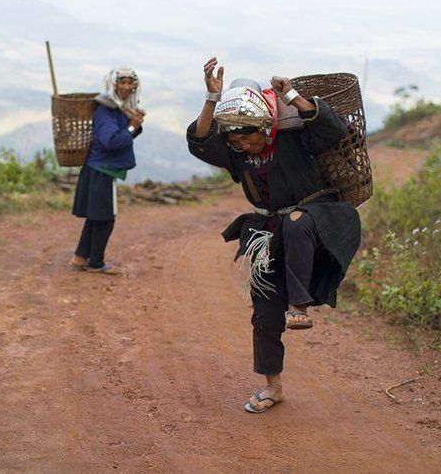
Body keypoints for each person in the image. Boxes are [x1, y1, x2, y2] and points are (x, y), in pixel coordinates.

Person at [186, 57, 361, 413]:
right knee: (264, 315)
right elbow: (200, 141)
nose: (243, 145)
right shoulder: (235, 154)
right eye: (235, 140)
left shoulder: (295, 137)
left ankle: (300, 304)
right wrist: (210, 98)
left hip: (317, 220)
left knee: (296, 221)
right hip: (268, 233)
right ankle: (273, 387)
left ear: (264, 126)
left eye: (248, 136)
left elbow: (335, 130)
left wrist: (293, 95)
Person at [69, 67, 145, 275]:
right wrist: (131, 127)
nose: (127, 87)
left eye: (130, 83)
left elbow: (124, 136)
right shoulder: (105, 111)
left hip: (101, 170)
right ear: (113, 85)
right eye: (122, 83)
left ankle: (80, 258)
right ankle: (95, 263)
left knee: (96, 216)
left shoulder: (117, 109)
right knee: (105, 219)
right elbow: (111, 141)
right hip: (100, 171)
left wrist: (134, 126)